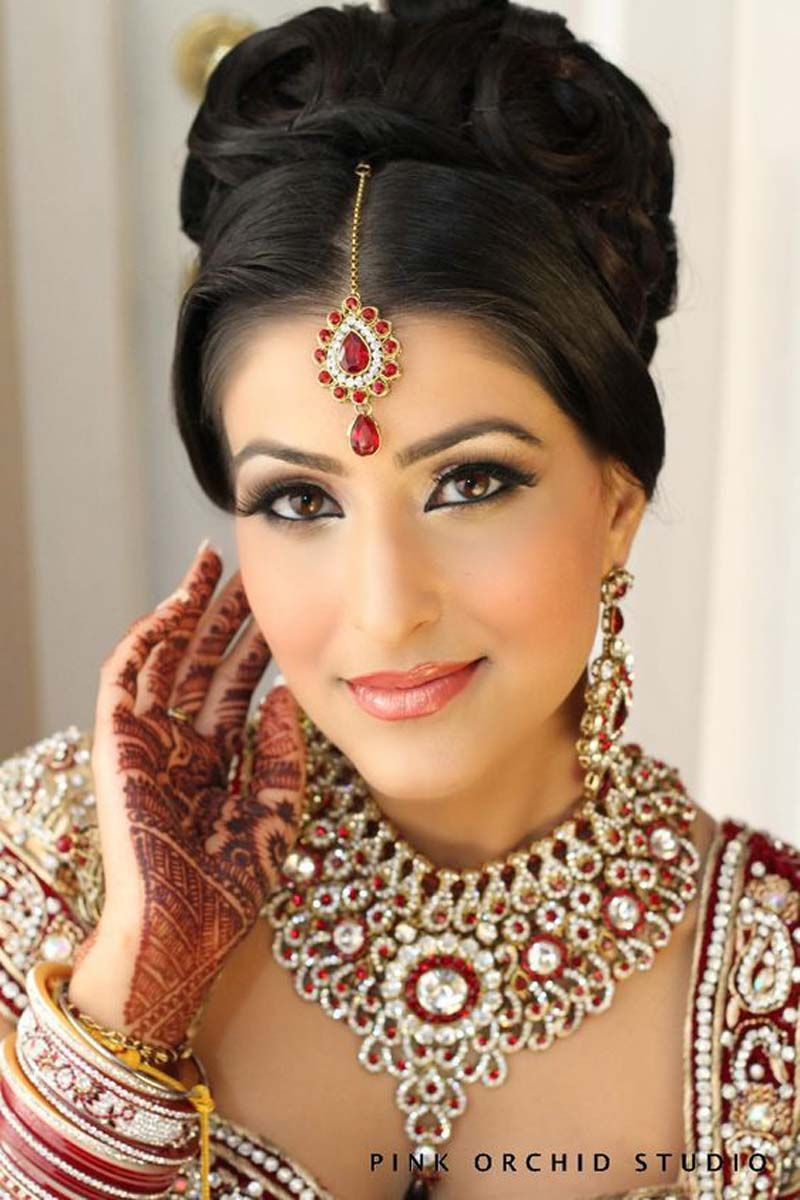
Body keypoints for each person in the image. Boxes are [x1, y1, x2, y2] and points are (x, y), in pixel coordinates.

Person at [0, 1, 798, 1198]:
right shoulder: (57, 866)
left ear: (617, 499)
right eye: (299, 502)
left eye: (468, 483)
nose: (382, 609)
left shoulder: (766, 985)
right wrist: (127, 998)